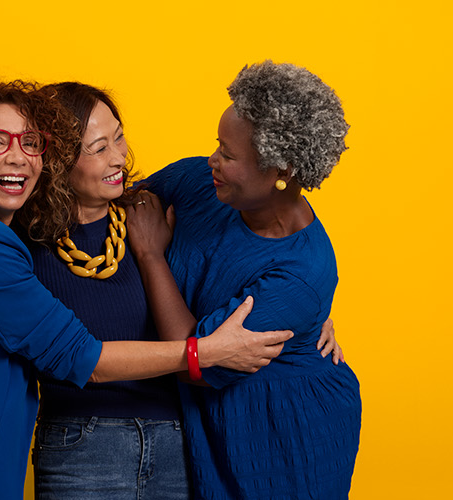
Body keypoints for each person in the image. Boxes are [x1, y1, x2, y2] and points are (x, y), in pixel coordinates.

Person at [0, 82, 349, 500]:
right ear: (59, 159)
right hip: (80, 448)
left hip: (181, 440)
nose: (119, 159)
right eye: (97, 148)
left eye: (119, 139)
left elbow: (273, 259)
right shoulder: (9, 236)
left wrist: (309, 316)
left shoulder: (142, 213)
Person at [123, 61, 362, 499]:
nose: (213, 160)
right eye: (218, 144)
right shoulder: (199, 183)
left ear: (283, 171)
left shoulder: (302, 272)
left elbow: (196, 362)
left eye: (229, 156)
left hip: (283, 434)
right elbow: (117, 203)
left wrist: (152, 255)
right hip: (212, 417)